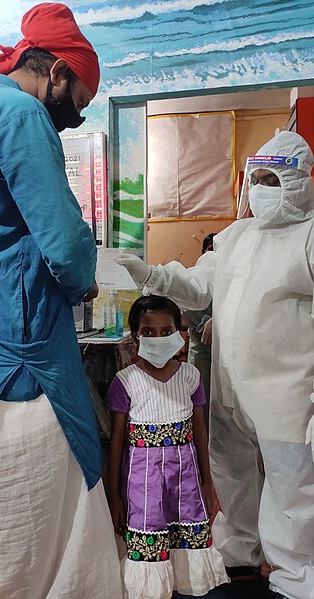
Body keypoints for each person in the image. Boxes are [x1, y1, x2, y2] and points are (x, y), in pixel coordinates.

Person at [117, 131, 314, 599]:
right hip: (229, 385)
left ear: (300, 181)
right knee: (233, 474)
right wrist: (149, 273)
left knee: (292, 489)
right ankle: (239, 553)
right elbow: (197, 286)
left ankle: (297, 575)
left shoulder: (308, 237)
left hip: (286, 392)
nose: (263, 187)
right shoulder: (235, 236)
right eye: (258, 178)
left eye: (275, 178)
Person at [0, 4, 122, 598]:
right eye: (80, 103)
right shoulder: (18, 113)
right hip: (25, 352)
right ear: (56, 72)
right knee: (40, 530)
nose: (75, 116)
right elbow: (63, 242)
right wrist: (82, 280)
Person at [106, 295, 229, 599]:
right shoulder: (126, 381)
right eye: (148, 332)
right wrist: (114, 496)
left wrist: (207, 481)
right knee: (149, 547)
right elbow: (117, 443)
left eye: (166, 330)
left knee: (184, 539)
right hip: (142, 485)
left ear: (178, 333)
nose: (158, 337)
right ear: (135, 335)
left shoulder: (190, 377)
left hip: (185, 481)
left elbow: (199, 431)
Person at [184, 234, 215, 426]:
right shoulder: (193, 276)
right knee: (200, 402)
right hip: (202, 351)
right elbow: (185, 310)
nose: (214, 253)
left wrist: (222, 320)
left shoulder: (233, 276)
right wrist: (206, 320)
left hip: (227, 353)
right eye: (210, 248)